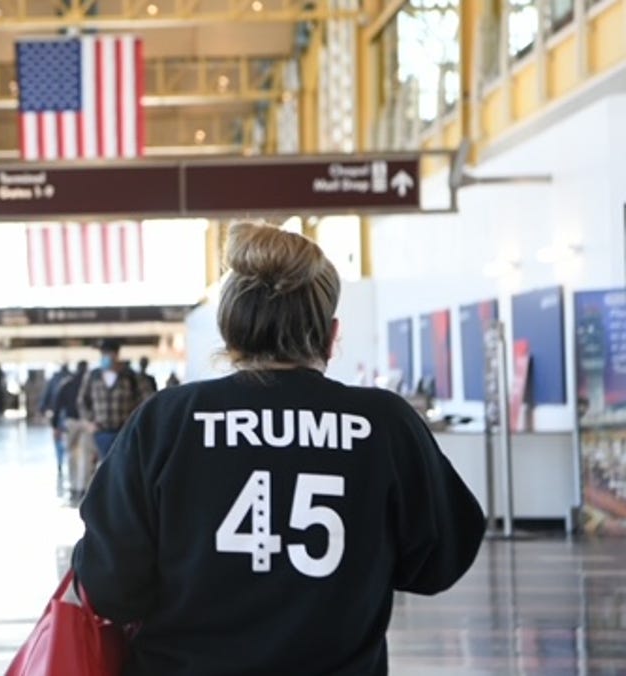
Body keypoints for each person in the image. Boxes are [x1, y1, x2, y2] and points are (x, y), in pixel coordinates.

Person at [71, 222, 485, 675]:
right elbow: (440, 561)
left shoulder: (169, 421)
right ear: (330, 334)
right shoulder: (384, 424)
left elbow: (109, 585)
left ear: (229, 332)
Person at [78, 339, 154, 461]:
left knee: (123, 468)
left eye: (108, 353)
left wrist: (136, 423)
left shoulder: (131, 376)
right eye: (103, 354)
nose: (105, 357)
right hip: (100, 433)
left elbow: (148, 399)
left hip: (124, 433)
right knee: (103, 468)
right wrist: (89, 422)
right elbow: (82, 401)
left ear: (116, 354)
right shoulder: (93, 376)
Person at [53, 361, 89, 486]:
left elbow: (57, 406)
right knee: (85, 455)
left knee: (71, 454)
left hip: (70, 422)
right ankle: (83, 486)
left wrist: (55, 426)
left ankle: (73, 485)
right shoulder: (89, 383)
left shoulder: (67, 384)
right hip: (86, 422)